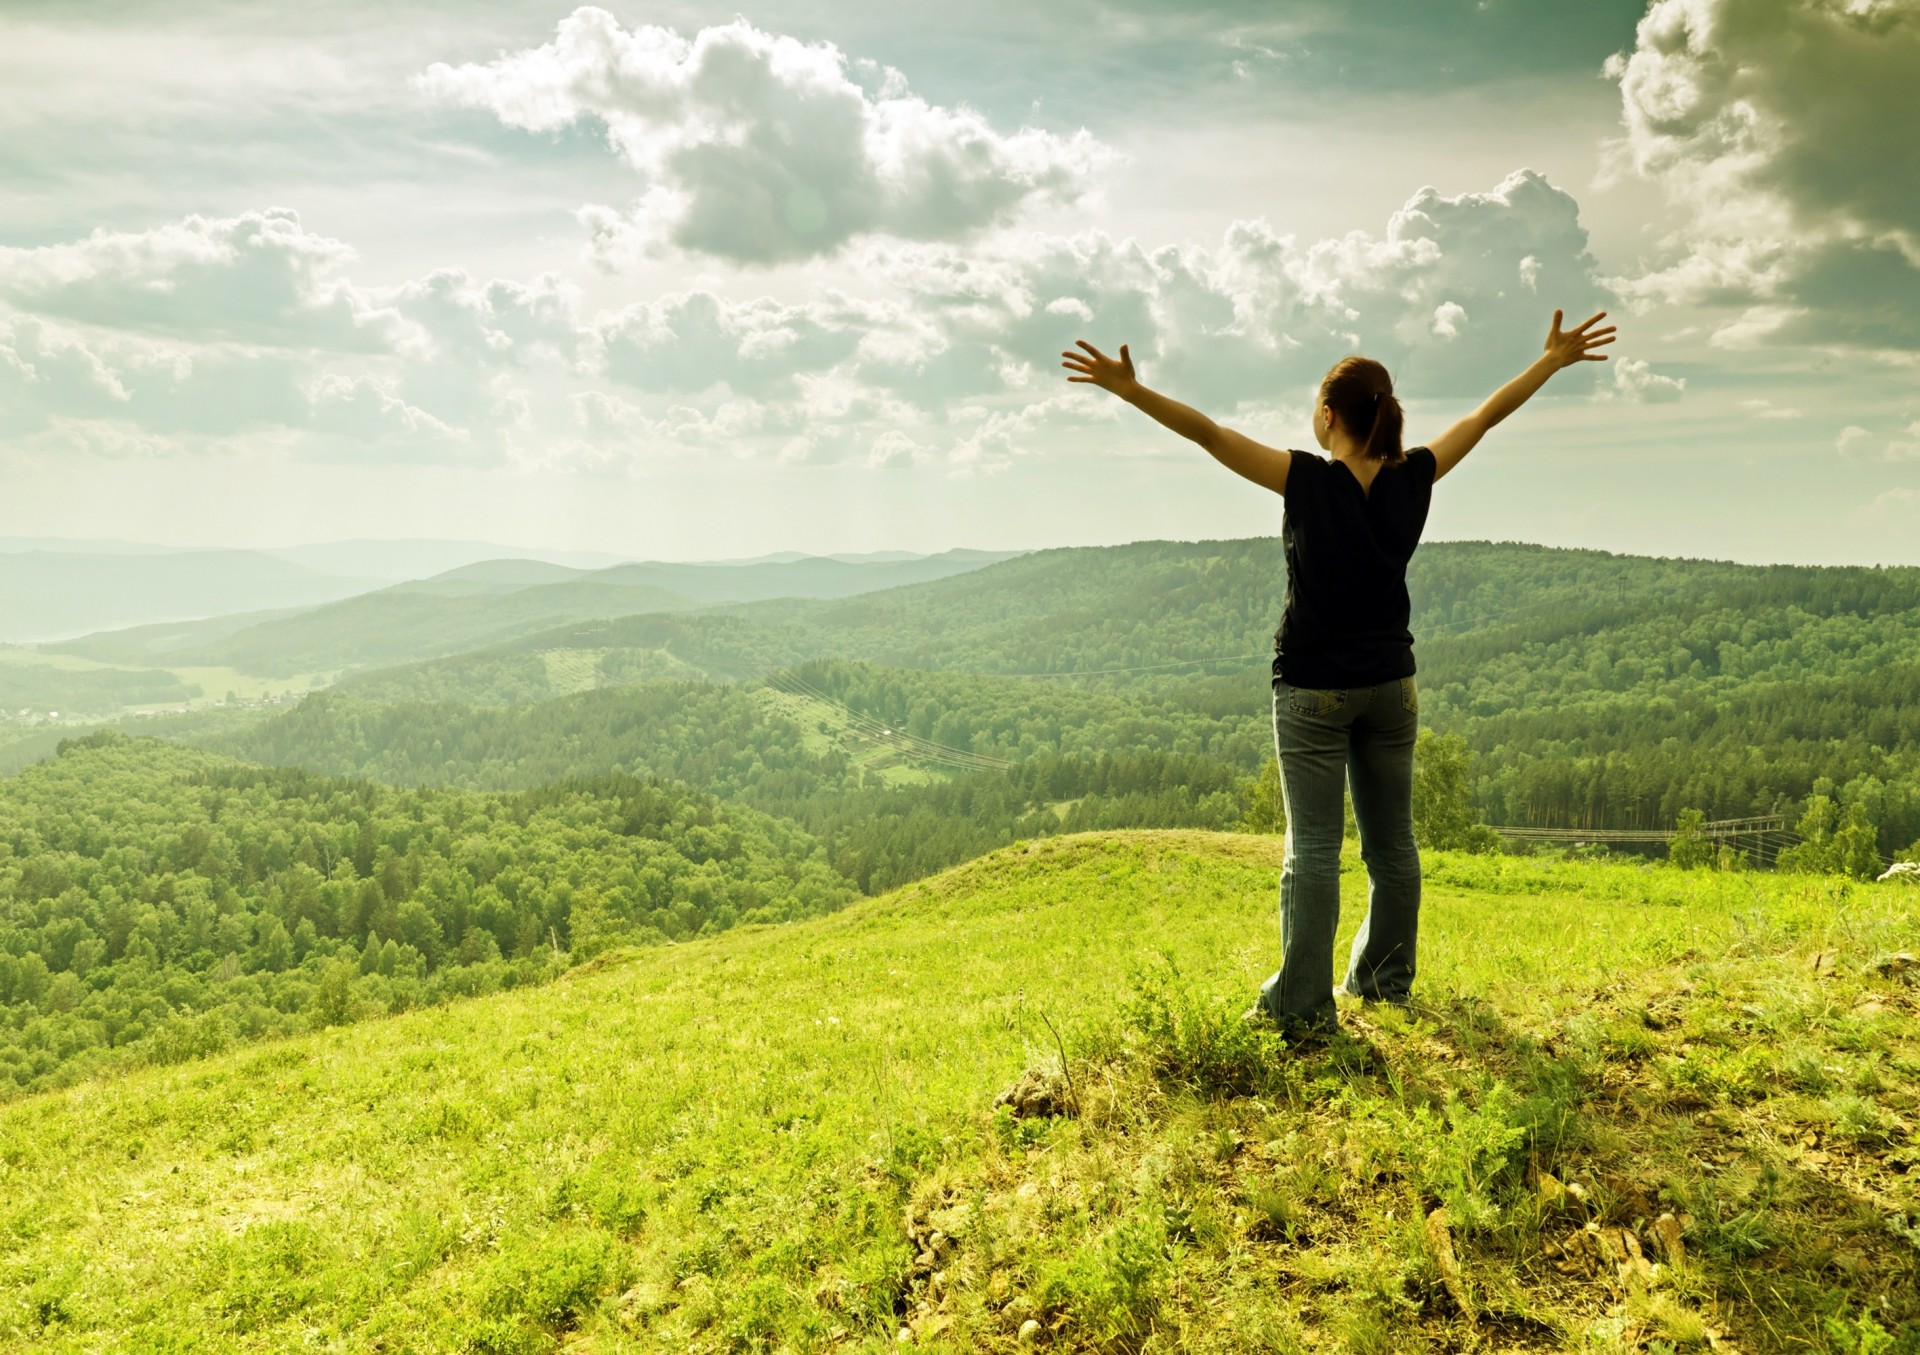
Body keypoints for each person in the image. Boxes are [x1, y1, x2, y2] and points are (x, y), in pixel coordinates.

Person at [1061, 310, 1616, 1037]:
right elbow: (1484, 417)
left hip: (1313, 689)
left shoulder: (1305, 479)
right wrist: (1549, 362)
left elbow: (1209, 435)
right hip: (1393, 686)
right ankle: (1385, 985)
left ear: (1329, 416)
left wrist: (1131, 391)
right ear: (1385, 416)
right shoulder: (1414, 475)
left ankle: (1302, 1007)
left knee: (1313, 851)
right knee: (1394, 845)